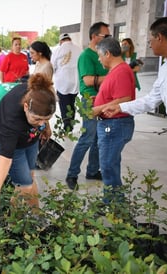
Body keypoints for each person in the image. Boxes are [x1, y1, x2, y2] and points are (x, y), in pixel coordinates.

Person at [102, 17, 167, 245]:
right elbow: (151, 100)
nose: (149, 44)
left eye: (151, 39)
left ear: (160, 37)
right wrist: (119, 107)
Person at [0, 74, 56, 218]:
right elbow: (5, 160)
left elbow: (42, 113)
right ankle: (13, 223)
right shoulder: (10, 120)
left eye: (46, 119)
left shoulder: (39, 94)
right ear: (25, 107)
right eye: (37, 119)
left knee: (30, 176)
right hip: (12, 145)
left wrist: (46, 126)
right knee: (25, 185)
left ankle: (36, 215)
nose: (41, 123)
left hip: (30, 139)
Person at [65, 22, 110, 190]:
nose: (109, 39)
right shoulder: (86, 56)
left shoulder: (103, 54)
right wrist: (112, 78)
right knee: (87, 138)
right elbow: (88, 80)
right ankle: (72, 174)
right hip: (89, 100)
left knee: (99, 138)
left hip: (103, 99)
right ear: (94, 37)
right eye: (106, 36)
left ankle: (92, 170)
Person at [91, 37, 136, 202]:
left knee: (108, 166)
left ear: (107, 53)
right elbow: (115, 95)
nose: (98, 59)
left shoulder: (122, 71)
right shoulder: (116, 70)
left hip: (115, 124)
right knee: (109, 165)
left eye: (99, 55)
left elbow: (125, 98)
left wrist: (98, 108)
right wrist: (98, 99)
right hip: (111, 124)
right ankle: (112, 202)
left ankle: (115, 206)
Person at [51, 33, 81, 132]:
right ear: (69, 39)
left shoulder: (57, 50)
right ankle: (70, 122)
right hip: (75, 82)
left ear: (61, 41)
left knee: (64, 105)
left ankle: (67, 126)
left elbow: (52, 67)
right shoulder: (79, 49)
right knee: (71, 104)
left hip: (62, 83)